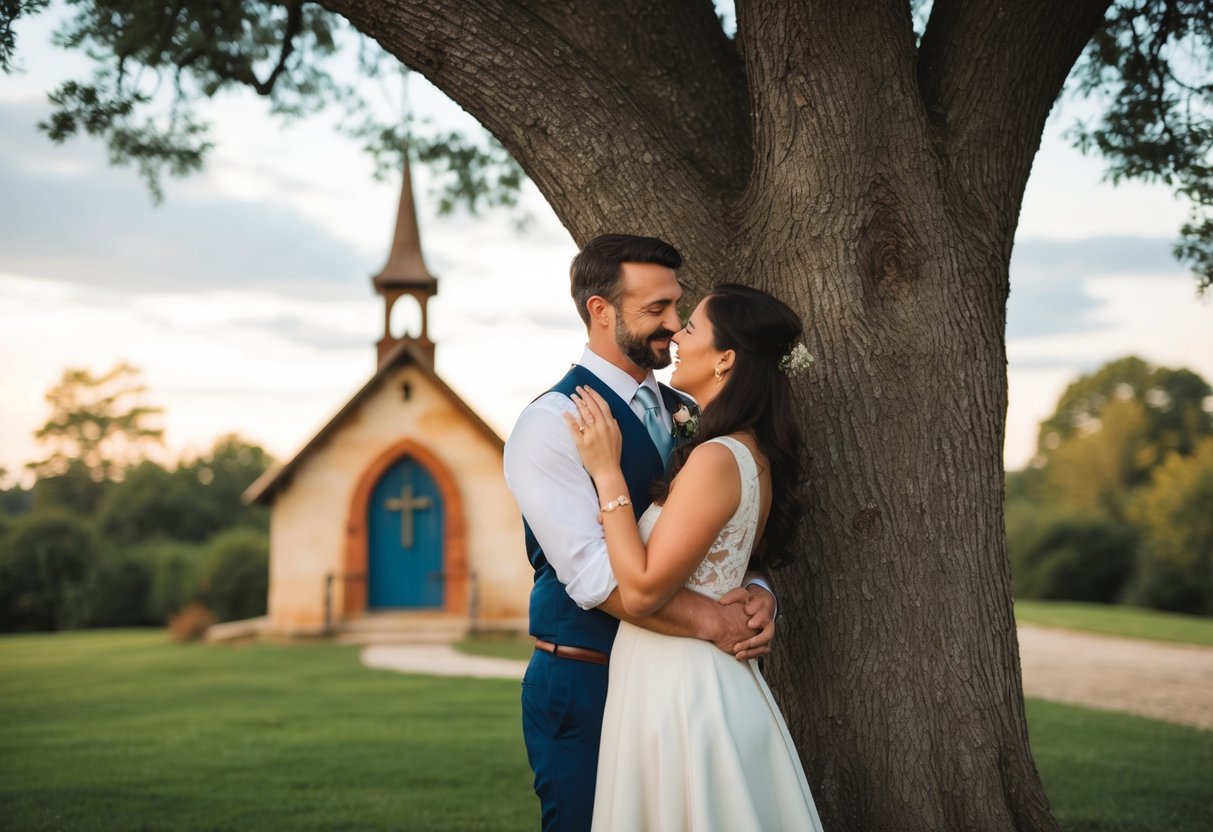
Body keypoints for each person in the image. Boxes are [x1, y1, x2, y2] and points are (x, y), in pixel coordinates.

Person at [504, 235, 780, 832]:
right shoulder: (552, 425)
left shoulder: (696, 411)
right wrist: (714, 621)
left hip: (674, 685)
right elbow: (601, 581)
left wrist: (756, 590)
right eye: (655, 310)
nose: (673, 324)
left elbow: (722, 531)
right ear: (601, 310)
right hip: (585, 680)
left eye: (677, 307)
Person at [565, 283, 824, 831]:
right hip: (683, 675)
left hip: (682, 690)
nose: (676, 335)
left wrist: (606, 471)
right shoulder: (745, 450)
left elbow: (640, 590)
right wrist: (762, 592)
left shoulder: (716, 459)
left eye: (692, 328)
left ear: (725, 359)